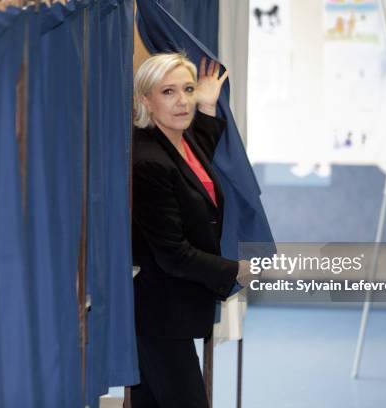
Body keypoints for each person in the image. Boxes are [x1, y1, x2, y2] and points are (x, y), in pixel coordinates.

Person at [130, 52, 253, 408]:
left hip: (171, 310)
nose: (183, 101)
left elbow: (199, 153)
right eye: (168, 92)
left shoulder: (182, 142)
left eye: (187, 89)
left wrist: (208, 105)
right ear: (145, 101)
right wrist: (235, 270)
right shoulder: (147, 161)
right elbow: (172, 254)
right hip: (158, 313)